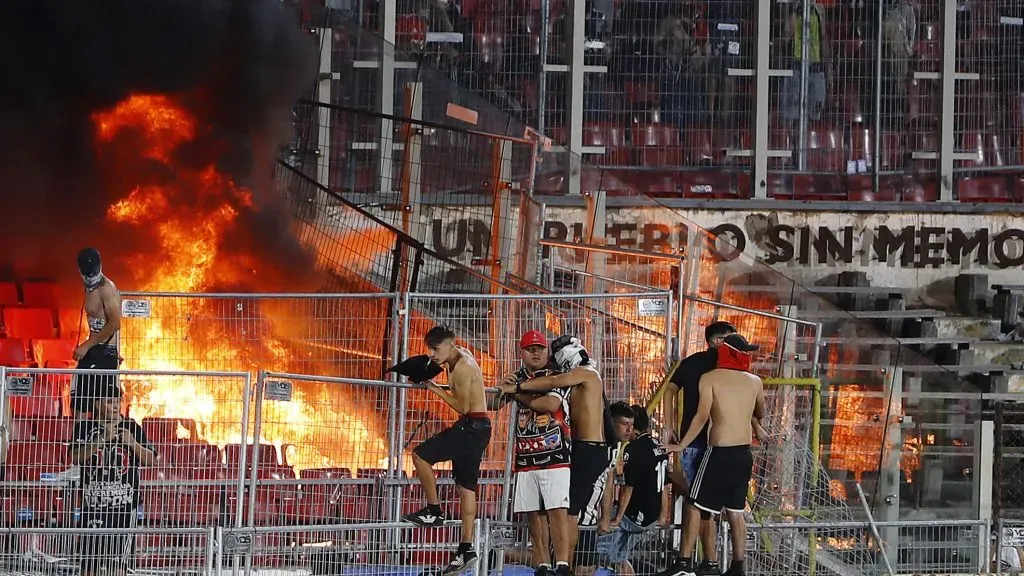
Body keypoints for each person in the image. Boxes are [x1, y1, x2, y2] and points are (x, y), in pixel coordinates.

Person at [659, 334, 766, 576]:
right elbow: (760, 410)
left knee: (694, 504)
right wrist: (756, 423)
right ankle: (738, 567)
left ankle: (684, 564)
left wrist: (681, 445)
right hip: (743, 454)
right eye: (746, 352)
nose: (748, 356)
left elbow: (701, 416)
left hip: (719, 453)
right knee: (736, 511)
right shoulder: (755, 381)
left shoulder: (710, 379)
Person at [499, 335, 609, 563]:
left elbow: (551, 386)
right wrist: (509, 386)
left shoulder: (584, 372)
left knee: (568, 515)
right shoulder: (578, 375)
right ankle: (559, 563)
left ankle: (565, 565)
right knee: (564, 514)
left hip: (588, 449)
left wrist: (516, 388)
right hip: (582, 448)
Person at [403, 326, 492, 575]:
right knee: (466, 488)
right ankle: (466, 549)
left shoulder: (463, 367)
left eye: (436, 349)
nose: (432, 354)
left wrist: (432, 388)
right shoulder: (455, 359)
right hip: (478, 427)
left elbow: (461, 406)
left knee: (420, 455)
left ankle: (434, 510)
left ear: (451, 344)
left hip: (471, 425)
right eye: (429, 349)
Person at [491, 330, 573, 576]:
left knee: (557, 510)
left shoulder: (557, 374)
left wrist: (515, 391)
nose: (536, 352)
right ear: (522, 351)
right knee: (533, 515)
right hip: (525, 457)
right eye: (531, 349)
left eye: (540, 348)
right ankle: (544, 564)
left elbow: (550, 404)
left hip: (556, 455)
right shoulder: (515, 376)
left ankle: (563, 564)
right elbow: (493, 405)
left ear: (546, 350)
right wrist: (499, 389)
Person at [70, 382, 156, 576]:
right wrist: (100, 440)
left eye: (118, 401)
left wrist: (132, 443)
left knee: (118, 569)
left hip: (124, 511)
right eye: (110, 402)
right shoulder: (84, 427)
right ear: (97, 404)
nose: (116, 406)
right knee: (89, 567)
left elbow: (151, 460)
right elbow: (75, 457)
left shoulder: (132, 427)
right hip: (92, 508)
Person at [601, 405, 671, 576]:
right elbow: (663, 485)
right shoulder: (659, 448)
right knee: (620, 557)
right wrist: (663, 514)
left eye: (629, 425)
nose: (628, 430)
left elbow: (627, 488)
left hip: (632, 516)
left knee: (594, 549)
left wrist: (617, 518)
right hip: (651, 518)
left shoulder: (633, 449)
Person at [576, 401, 635, 574]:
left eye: (631, 425)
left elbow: (608, 482)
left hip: (590, 517)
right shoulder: (594, 443)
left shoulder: (616, 446)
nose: (629, 429)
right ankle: (500, 554)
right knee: (577, 567)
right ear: (611, 423)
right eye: (624, 424)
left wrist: (605, 517)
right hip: (576, 515)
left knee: (587, 567)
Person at [72, 248, 122, 418]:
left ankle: (102, 442)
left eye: (93, 274)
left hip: (104, 351)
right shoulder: (88, 288)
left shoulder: (107, 288)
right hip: (93, 349)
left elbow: (115, 323)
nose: (90, 278)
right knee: (80, 401)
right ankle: (79, 441)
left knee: (102, 406)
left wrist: (86, 345)